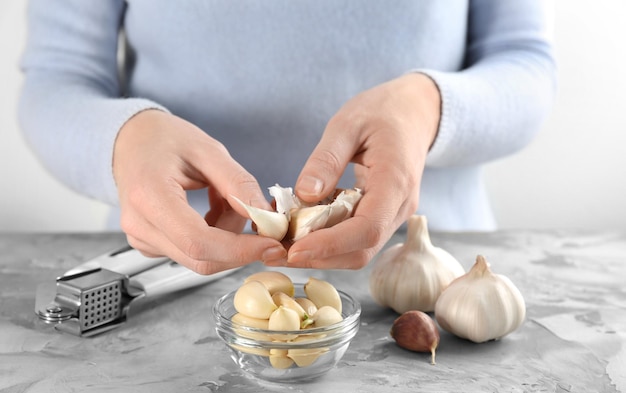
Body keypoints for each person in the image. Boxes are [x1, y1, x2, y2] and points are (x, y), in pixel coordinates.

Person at [18, 1, 557, 274]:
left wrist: (426, 107)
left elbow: (527, 65)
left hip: (424, 278)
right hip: (165, 273)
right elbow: (57, 80)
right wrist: (121, 140)